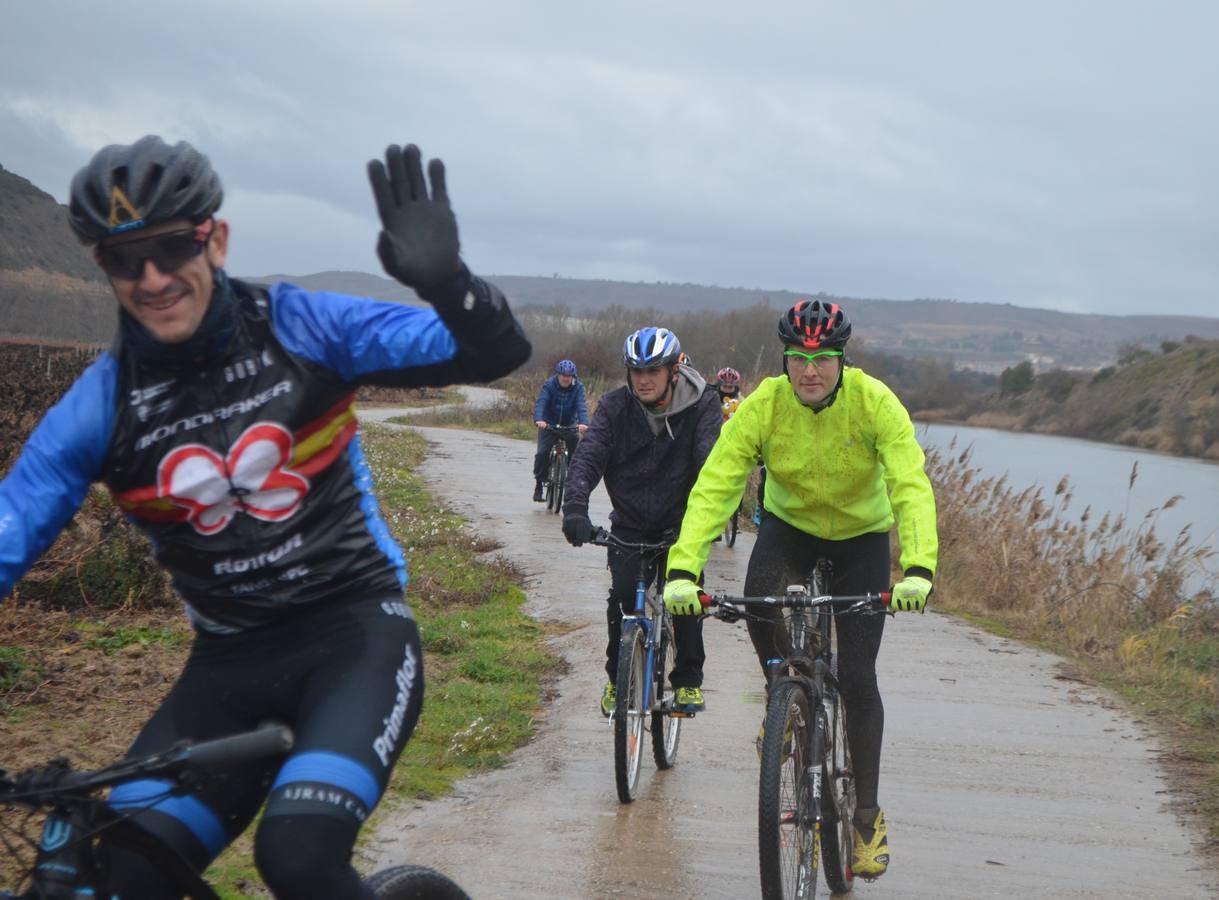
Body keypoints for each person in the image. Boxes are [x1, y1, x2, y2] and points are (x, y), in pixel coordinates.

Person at [0, 136, 530, 899]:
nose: (151, 278)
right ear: (102, 268)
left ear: (214, 238)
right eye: (124, 259)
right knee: (118, 871)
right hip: (225, 670)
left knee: (300, 858)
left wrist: (450, 285)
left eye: (170, 247)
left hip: (353, 640)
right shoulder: (99, 408)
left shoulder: (301, 326)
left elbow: (491, 354)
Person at [661, 300, 937, 880]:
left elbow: (910, 484)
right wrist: (683, 570)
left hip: (861, 536)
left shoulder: (875, 403)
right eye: (799, 358)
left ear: (841, 360)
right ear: (785, 360)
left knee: (859, 678)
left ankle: (865, 817)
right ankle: (782, 694)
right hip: (789, 529)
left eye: (823, 359)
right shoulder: (765, 405)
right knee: (760, 600)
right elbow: (716, 483)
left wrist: (918, 570)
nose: (810, 370)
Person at [559, 326, 722, 717]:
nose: (644, 380)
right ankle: (619, 682)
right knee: (621, 603)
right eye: (636, 371)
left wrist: (709, 520)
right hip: (630, 522)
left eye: (653, 371)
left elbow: (710, 466)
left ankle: (686, 682)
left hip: (683, 522)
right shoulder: (616, 407)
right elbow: (590, 454)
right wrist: (575, 509)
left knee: (683, 598)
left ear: (674, 372)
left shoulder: (703, 405)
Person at [531, 359, 589, 501]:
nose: (565, 378)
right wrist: (539, 420)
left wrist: (583, 423)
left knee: (575, 458)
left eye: (569, 376)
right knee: (542, 454)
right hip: (548, 425)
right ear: (558, 375)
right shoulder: (549, 385)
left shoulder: (578, 388)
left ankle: (572, 485)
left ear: (573, 376)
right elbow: (541, 403)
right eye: (563, 375)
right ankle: (539, 484)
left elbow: (581, 406)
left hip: (569, 425)